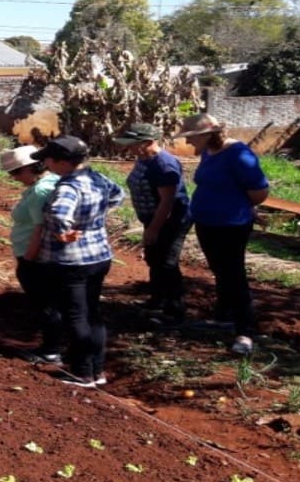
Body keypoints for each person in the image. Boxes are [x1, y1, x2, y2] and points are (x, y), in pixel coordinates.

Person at [31, 135, 125, 388]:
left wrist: (64, 231)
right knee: (93, 313)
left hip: (71, 261)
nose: (46, 165)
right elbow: (118, 196)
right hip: (99, 254)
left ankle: (82, 373)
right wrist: (93, 220)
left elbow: (59, 212)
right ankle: (97, 370)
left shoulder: (68, 186)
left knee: (76, 316)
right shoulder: (97, 178)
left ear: (62, 161)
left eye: (48, 160)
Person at [174, 113, 270, 356]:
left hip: (232, 224)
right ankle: (223, 316)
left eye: (192, 137)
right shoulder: (209, 152)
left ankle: (245, 332)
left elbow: (259, 191)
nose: (188, 143)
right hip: (207, 222)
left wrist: (240, 205)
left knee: (233, 274)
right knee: (220, 271)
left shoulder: (239, 154)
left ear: (207, 134)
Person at [113, 122, 193, 326]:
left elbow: (167, 202)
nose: (128, 148)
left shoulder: (164, 165)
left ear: (148, 142)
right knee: (154, 257)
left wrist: (154, 229)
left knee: (167, 261)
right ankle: (157, 301)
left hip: (172, 220)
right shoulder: (143, 158)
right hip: (153, 219)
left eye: (132, 144)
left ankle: (175, 308)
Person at [1, 145, 64, 363]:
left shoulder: (40, 191)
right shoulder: (47, 184)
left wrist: (28, 260)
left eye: (17, 172)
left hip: (35, 256)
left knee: (46, 304)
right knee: (50, 302)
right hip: (38, 254)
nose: (15, 178)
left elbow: (40, 228)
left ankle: (51, 350)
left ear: (32, 167)